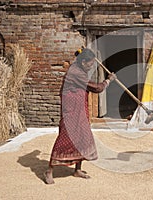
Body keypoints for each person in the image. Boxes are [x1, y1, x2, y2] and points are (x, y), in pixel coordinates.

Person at [44, 48, 116, 184]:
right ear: (83, 62)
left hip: (80, 109)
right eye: (89, 65)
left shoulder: (78, 68)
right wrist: (108, 80)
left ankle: (77, 169)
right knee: (65, 137)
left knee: (83, 136)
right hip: (70, 111)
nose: (90, 67)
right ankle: (49, 170)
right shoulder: (75, 73)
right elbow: (96, 88)